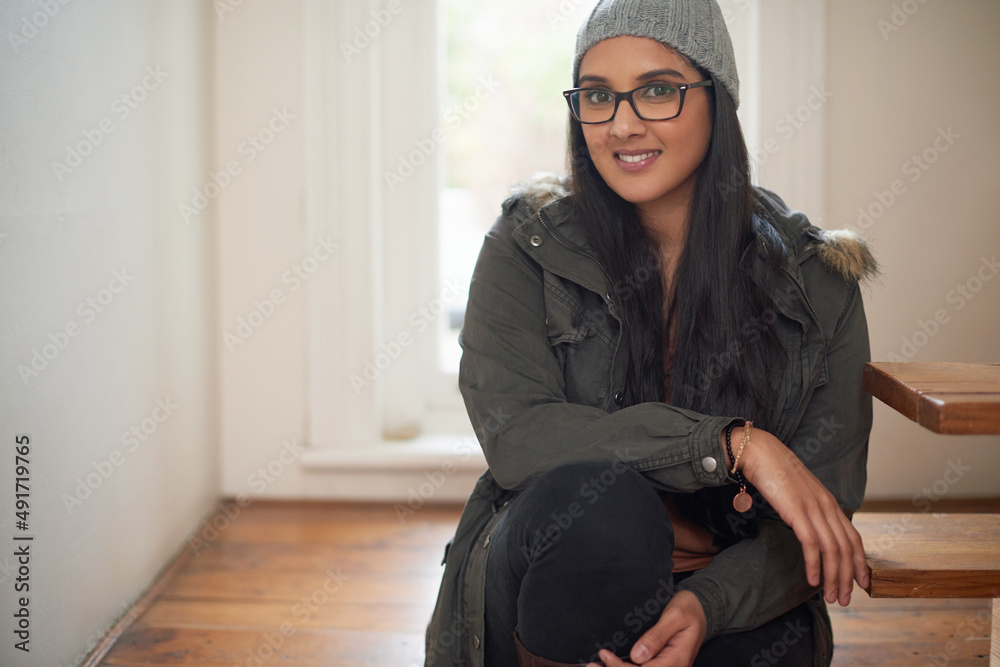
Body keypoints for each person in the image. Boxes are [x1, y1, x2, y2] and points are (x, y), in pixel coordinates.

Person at [425, 0, 878, 665]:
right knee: (604, 511)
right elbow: (522, 438)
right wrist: (732, 445)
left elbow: (819, 518)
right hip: (555, 571)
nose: (622, 125)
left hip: (725, 586)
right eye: (598, 96)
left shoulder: (820, 282)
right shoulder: (527, 244)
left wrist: (707, 602)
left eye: (658, 90)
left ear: (716, 98)